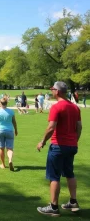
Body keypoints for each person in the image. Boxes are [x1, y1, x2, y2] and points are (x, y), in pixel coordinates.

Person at [36, 81, 82, 217]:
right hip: (71, 146)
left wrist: (42, 141)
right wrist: (74, 141)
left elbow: (51, 127)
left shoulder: (57, 107)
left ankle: (53, 207)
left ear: (57, 91)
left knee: (54, 176)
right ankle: (73, 201)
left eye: (52, 89)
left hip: (58, 146)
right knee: (69, 173)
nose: (51, 91)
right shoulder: (75, 107)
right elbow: (79, 127)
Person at [0, 96, 18, 171]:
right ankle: (10, 160)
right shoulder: (11, 112)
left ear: (0, 103)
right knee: (9, 148)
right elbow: (14, 122)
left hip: (0, 131)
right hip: (9, 130)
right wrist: (16, 130)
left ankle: (3, 164)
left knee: (1, 148)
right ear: (7, 103)